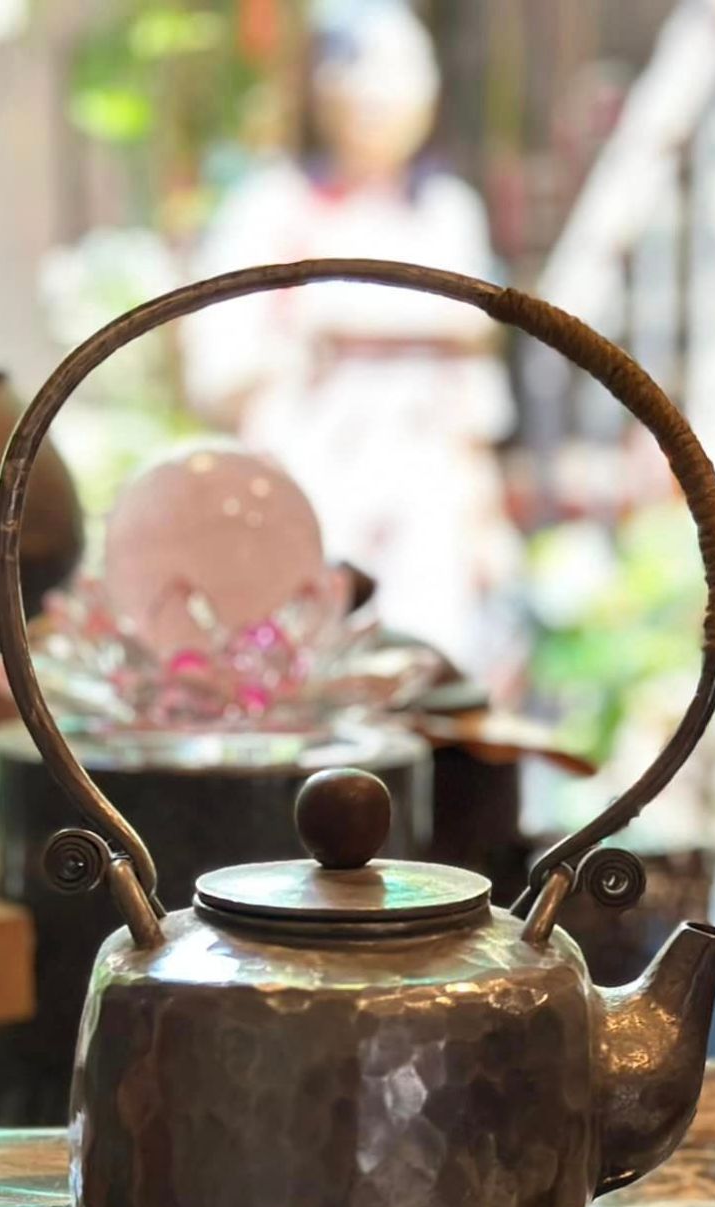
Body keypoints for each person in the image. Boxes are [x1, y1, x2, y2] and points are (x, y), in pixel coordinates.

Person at [184, 0, 523, 691]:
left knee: (429, 681)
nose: (386, 92)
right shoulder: (273, 208)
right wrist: (303, 353)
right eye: (366, 70)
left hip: (425, 498)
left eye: (406, 70)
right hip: (316, 485)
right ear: (325, 86)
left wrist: (483, 513)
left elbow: (471, 393)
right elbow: (219, 366)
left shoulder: (445, 214)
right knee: (311, 682)